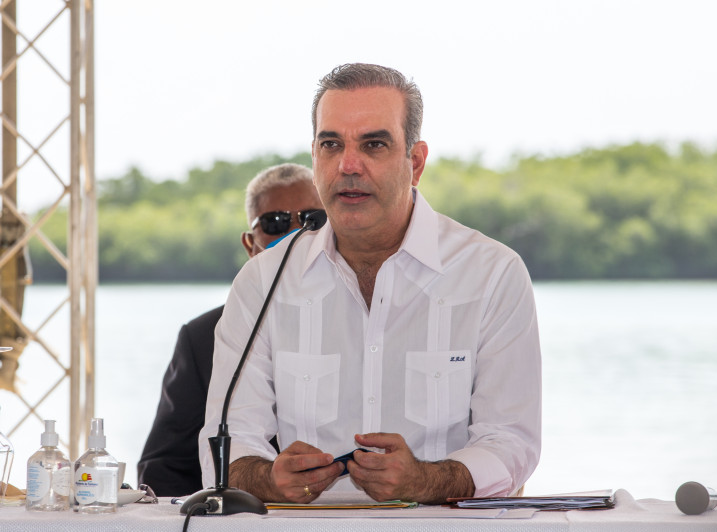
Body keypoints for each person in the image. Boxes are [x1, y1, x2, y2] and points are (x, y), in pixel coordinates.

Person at [200, 63, 541, 505]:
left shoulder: (491, 273)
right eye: (331, 145)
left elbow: (512, 443)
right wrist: (269, 479)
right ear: (314, 157)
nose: (348, 165)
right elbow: (226, 447)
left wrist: (426, 481)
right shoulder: (263, 281)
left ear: (415, 162)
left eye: (373, 145)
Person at [137, 163, 323, 496]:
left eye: (313, 219)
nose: (297, 233)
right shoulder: (202, 337)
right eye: (276, 222)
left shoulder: (368, 316)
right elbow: (164, 469)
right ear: (250, 244)